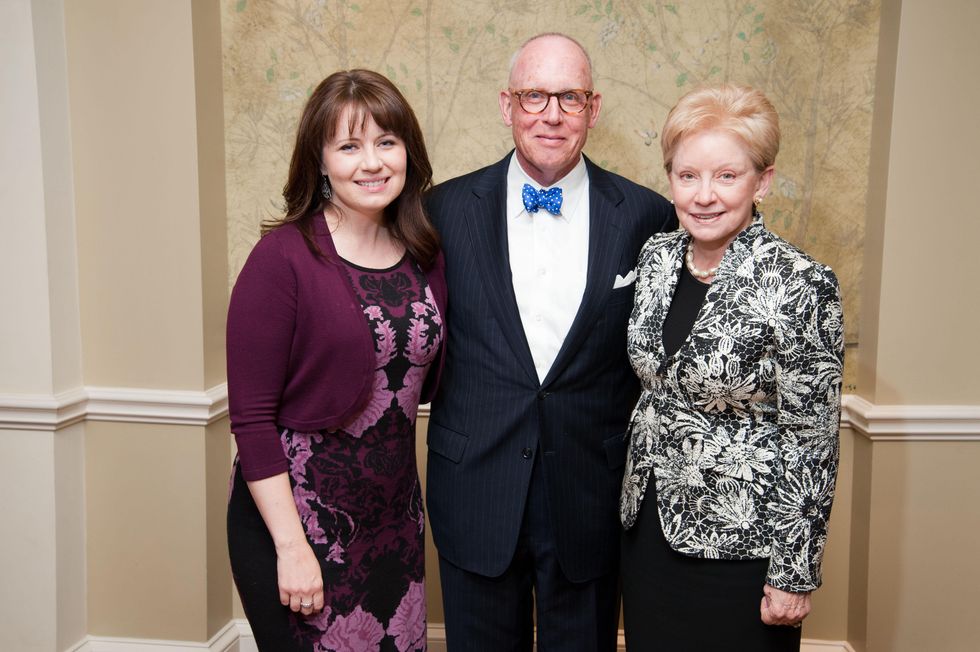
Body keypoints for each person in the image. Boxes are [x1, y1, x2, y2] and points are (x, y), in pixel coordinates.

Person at [425, 33, 676, 651]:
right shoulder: (441, 211)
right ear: (507, 105)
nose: (552, 114)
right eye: (536, 95)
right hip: (475, 483)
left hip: (589, 489)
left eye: (570, 97)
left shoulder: (648, 215)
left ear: (593, 109)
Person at [225, 69, 445, 651]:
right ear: (320, 161)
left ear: (408, 152)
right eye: (349, 146)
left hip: (394, 522)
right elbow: (250, 419)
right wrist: (292, 548)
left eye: (386, 142)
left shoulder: (426, 253)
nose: (371, 162)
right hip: (300, 523)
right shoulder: (283, 258)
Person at [619, 83, 844, 650]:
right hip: (648, 531)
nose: (704, 196)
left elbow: (811, 442)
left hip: (744, 547)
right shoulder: (657, 258)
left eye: (726, 175)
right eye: (687, 175)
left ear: (762, 180)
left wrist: (794, 574)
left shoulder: (801, 284)